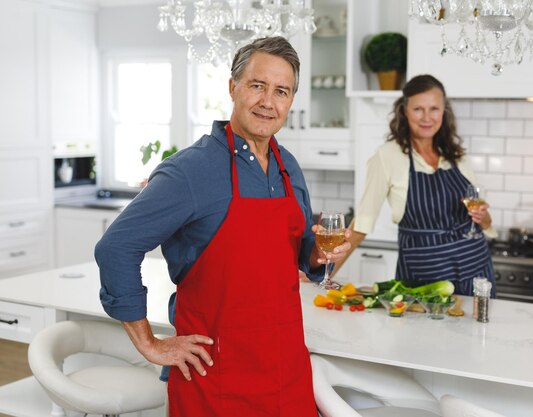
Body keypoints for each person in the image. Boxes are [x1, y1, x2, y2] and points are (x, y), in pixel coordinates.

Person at [95, 36, 351, 417]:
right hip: (214, 378)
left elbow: (298, 249)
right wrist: (150, 344)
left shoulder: (288, 167)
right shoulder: (191, 170)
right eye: (257, 86)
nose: (268, 101)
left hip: (286, 370)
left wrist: (317, 253)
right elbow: (115, 248)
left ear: (291, 101)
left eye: (281, 91)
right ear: (233, 87)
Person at [336, 74, 495, 296]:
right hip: (424, 280)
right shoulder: (388, 156)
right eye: (418, 109)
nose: (427, 117)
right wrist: (322, 274)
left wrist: (484, 218)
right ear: (404, 111)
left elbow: (483, 217)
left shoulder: (456, 155)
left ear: (444, 111)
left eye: (434, 109)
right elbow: (362, 223)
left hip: (476, 271)